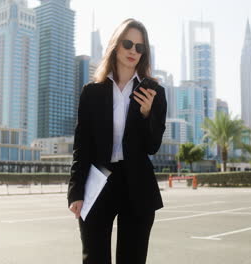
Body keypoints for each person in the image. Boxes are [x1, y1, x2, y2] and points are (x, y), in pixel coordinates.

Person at [67, 18, 167, 264]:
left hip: (137, 184)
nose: (133, 51)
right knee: (94, 258)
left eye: (140, 47)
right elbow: (82, 146)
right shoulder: (92, 92)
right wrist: (75, 192)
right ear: (115, 45)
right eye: (128, 43)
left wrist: (146, 115)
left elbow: (152, 146)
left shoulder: (154, 91)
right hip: (99, 180)